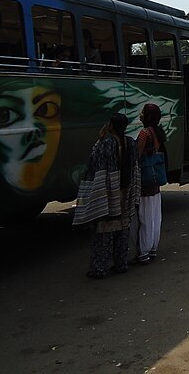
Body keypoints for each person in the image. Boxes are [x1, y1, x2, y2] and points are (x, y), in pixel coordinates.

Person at [73, 113, 141, 279]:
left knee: (103, 232)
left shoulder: (107, 143)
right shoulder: (130, 143)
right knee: (122, 229)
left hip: (109, 193)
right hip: (126, 191)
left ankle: (100, 268)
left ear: (111, 126)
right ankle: (121, 263)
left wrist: (100, 139)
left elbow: (95, 162)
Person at [131, 103, 167, 264]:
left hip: (144, 180)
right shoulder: (158, 132)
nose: (140, 114)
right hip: (154, 180)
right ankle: (152, 248)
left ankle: (143, 252)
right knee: (154, 216)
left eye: (143, 112)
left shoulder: (145, 133)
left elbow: (137, 155)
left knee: (143, 217)